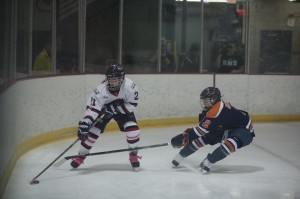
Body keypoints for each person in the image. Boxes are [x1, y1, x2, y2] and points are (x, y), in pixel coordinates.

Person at [71, 64, 141, 171]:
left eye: (116, 80)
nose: (112, 82)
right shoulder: (100, 90)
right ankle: (81, 155)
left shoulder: (130, 86)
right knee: (92, 132)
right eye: (110, 79)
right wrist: (86, 122)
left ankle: (133, 154)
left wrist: (115, 109)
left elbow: (132, 104)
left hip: (123, 109)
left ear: (122, 79)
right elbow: (93, 109)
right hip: (104, 111)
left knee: (133, 129)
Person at [170, 87, 255, 173]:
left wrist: (183, 137)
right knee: (203, 139)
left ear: (213, 100)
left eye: (206, 101)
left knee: (230, 144)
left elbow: (198, 131)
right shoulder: (212, 109)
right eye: (203, 101)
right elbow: (201, 131)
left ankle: (209, 161)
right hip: (226, 127)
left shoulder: (216, 110)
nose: (204, 103)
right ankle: (181, 155)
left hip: (245, 129)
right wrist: (186, 136)